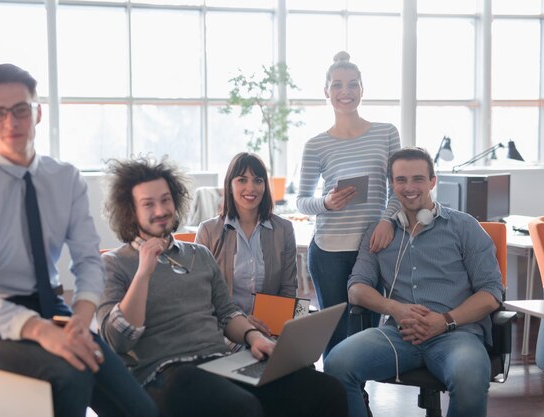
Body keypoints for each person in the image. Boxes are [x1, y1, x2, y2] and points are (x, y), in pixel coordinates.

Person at [0, 63, 157, 417]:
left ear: (38, 112)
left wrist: (82, 313)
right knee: (71, 374)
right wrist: (41, 332)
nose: (11, 122)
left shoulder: (65, 179)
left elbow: (88, 258)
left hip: (52, 308)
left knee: (140, 410)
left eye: (20, 109)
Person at [96, 156, 348, 417]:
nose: (160, 210)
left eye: (165, 200)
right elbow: (117, 341)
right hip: (166, 373)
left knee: (327, 390)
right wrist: (143, 274)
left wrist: (254, 337)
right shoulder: (113, 264)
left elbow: (227, 313)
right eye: (148, 204)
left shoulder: (198, 255)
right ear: (130, 210)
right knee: (242, 407)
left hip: (220, 362)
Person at [323, 147, 504, 417]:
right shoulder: (379, 232)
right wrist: (396, 309)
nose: (409, 187)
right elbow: (356, 289)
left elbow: (491, 292)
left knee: (469, 378)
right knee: (337, 364)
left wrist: (444, 320)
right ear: (391, 184)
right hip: (399, 335)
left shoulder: (463, 226)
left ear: (433, 181)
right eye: (401, 180)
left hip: (457, 334)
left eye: (418, 179)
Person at [296, 51, 401, 356]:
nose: (346, 92)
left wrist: (386, 220)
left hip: (373, 246)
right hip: (328, 249)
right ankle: (343, 401)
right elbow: (302, 201)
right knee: (336, 332)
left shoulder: (386, 133)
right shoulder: (316, 144)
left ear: (362, 90)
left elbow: (398, 187)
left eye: (353, 84)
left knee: (368, 332)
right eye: (338, 85)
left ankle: (358, 396)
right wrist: (326, 203)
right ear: (326, 92)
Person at [196, 152, 297, 336]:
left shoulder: (284, 229)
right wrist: (241, 323)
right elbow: (202, 296)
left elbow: (288, 290)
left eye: (258, 180)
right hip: (224, 331)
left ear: (265, 186)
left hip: (270, 328)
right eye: (242, 180)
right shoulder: (208, 232)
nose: (251, 188)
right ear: (230, 185)